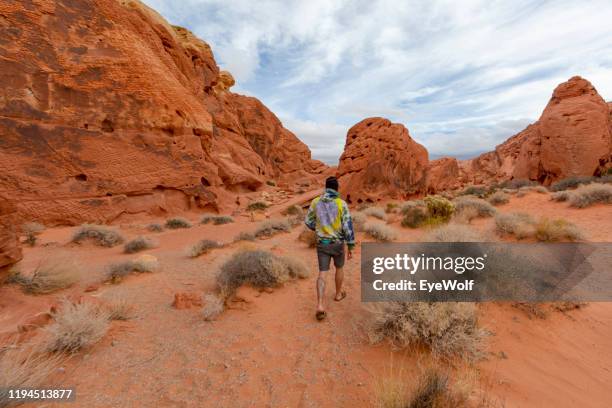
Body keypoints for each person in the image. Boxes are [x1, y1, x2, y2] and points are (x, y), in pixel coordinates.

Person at [305, 176, 355, 321]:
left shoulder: (316, 202)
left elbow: (308, 221)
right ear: (337, 188)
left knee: (322, 272)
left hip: (322, 243)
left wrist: (319, 229)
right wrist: (350, 245)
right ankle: (338, 294)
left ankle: (320, 304)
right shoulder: (341, 204)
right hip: (338, 243)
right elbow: (347, 226)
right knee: (339, 268)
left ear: (326, 187)